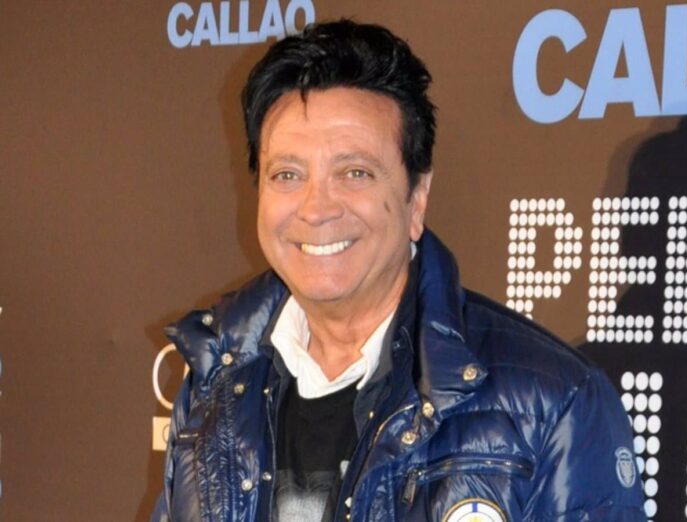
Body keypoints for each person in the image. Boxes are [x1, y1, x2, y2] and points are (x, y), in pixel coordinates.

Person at [152, 20, 646, 522]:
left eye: (355, 173)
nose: (316, 208)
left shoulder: (555, 403)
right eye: (288, 174)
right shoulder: (215, 379)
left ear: (417, 197)